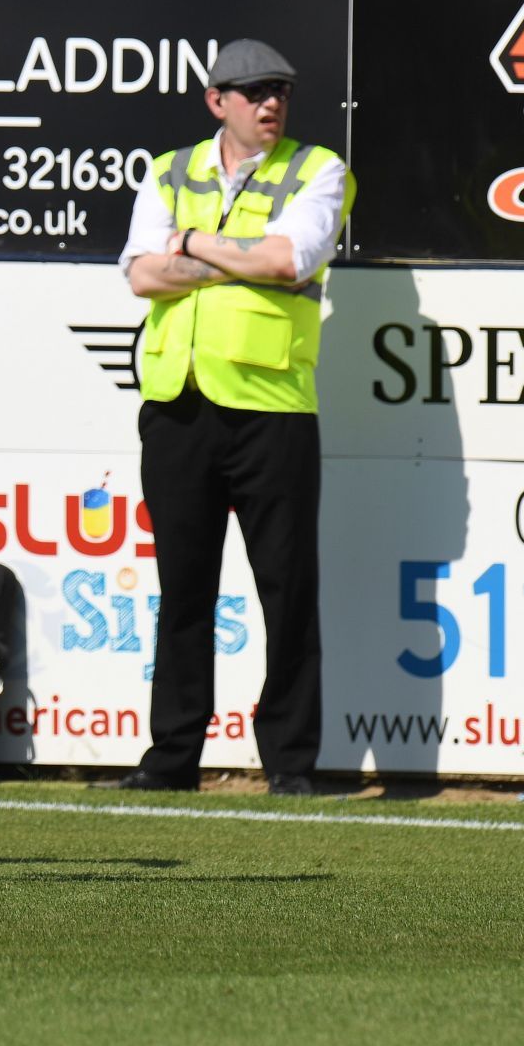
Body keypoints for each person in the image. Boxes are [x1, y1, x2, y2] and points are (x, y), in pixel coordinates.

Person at [105, 39, 354, 796]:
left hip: (272, 407)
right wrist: (227, 252)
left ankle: (290, 761)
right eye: (252, 91)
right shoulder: (169, 169)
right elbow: (141, 274)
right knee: (183, 590)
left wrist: (189, 244)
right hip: (177, 405)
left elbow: (291, 261)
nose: (270, 102)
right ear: (217, 100)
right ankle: (172, 757)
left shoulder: (320, 169)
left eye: (279, 89)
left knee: (287, 589)